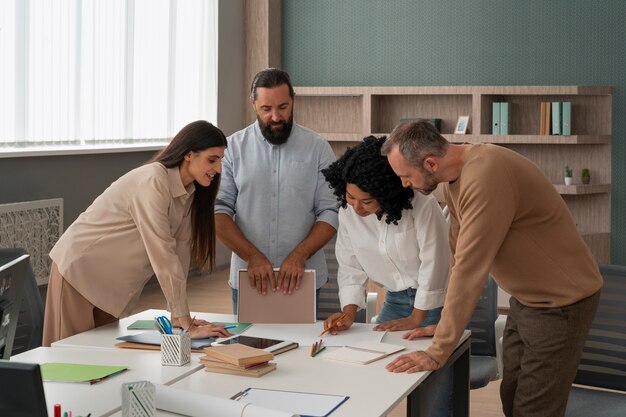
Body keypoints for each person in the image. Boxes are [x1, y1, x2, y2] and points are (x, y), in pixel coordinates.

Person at [381, 120, 603, 417]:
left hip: (561, 304)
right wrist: (448, 324)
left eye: (405, 176)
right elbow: (458, 256)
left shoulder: (486, 176)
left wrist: (439, 349)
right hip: (528, 300)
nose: (404, 184)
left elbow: (471, 269)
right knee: (511, 397)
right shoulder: (454, 180)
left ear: (430, 163)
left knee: (534, 410)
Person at [43, 120, 233, 346]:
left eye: (221, 160)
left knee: (101, 361)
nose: (219, 169)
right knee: (67, 358)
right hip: (80, 271)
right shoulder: (154, 181)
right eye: (212, 160)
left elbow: (179, 253)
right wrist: (185, 320)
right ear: (189, 155)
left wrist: (180, 319)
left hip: (112, 286)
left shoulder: (189, 192)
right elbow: (162, 252)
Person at [214, 68, 338, 312]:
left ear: (293, 100)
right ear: (253, 103)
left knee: (302, 347)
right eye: (266, 109)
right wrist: (252, 257)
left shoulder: (318, 148)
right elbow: (218, 211)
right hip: (248, 276)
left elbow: (330, 211)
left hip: (304, 275)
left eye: (283, 107)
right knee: (248, 346)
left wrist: (299, 255)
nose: (275, 117)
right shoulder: (232, 149)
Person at [320, 136, 449, 334]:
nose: (356, 207)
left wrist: (416, 318)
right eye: (350, 196)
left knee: (427, 362)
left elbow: (435, 264)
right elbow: (350, 267)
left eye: (367, 201)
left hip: (436, 302)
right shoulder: (347, 212)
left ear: (386, 194)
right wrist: (347, 314)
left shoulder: (422, 204)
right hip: (395, 300)